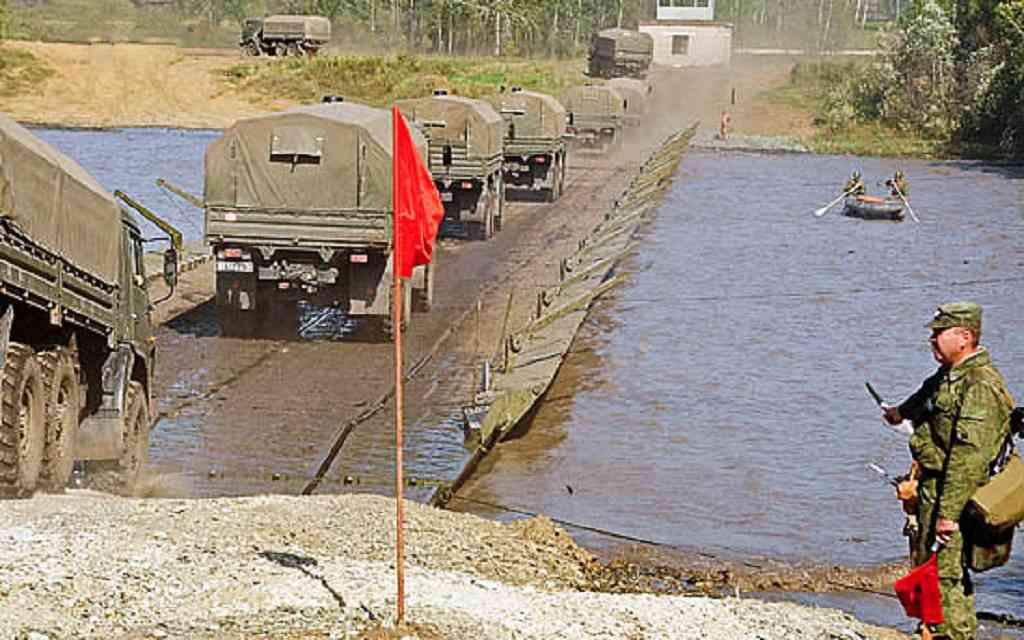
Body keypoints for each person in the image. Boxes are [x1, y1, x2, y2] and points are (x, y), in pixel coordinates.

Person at [882, 302, 1014, 640]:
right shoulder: (950, 374)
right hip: (934, 488)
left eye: (939, 333)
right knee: (935, 569)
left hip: (954, 493)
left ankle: (949, 634)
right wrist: (899, 412)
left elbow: (967, 460)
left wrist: (948, 515)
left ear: (964, 337)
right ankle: (937, 630)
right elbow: (927, 396)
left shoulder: (980, 385)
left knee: (945, 575)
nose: (932, 340)